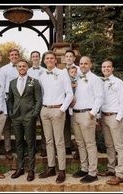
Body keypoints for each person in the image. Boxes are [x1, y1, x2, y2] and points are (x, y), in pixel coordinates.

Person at [38, 51, 73, 184]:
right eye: (47, 58)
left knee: (59, 141)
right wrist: (41, 109)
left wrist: (62, 109)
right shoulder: (42, 76)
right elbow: (40, 94)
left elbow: (69, 94)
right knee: (48, 141)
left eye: (52, 58)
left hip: (58, 110)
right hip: (45, 110)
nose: (50, 60)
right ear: (44, 61)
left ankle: (62, 170)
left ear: (55, 60)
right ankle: (51, 167)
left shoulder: (63, 73)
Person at [8, 59, 42, 182]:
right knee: (18, 143)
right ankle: (20, 167)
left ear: (27, 67)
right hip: (16, 117)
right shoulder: (12, 82)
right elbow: (10, 99)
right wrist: (11, 112)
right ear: (17, 68)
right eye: (19, 66)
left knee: (30, 142)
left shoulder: (34, 81)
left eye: (24, 66)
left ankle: (31, 170)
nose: (21, 68)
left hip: (29, 116)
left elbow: (39, 99)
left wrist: (34, 114)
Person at [72, 56, 104, 183]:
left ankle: (92, 172)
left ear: (90, 65)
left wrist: (92, 113)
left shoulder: (95, 79)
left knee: (90, 144)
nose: (83, 65)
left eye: (86, 63)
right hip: (75, 114)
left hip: (87, 115)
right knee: (80, 143)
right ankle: (84, 168)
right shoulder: (77, 78)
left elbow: (100, 97)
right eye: (81, 63)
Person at [98, 59, 123, 185]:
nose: (106, 69)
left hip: (115, 117)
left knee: (119, 146)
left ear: (112, 68)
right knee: (109, 145)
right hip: (104, 116)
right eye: (104, 67)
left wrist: (118, 118)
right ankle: (111, 169)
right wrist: (99, 116)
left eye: (108, 67)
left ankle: (119, 174)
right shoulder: (100, 82)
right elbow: (100, 100)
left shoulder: (118, 82)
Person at [0, 48, 20, 160]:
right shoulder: (3, 69)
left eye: (16, 55)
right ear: (9, 57)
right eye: (12, 55)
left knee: (18, 123)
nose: (14, 56)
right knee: (7, 125)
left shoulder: (22, 67)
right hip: (7, 98)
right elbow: (2, 85)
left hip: (19, 98)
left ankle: (19, 147)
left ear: (18, 56)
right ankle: (8, 149)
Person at [27, 51, 47, 157]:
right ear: (31, 58)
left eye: (37, 56)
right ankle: (32, 147)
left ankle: (44, 147)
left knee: (44, 126)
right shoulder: (28, 71)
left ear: (39, 58)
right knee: (31, 126)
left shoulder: (45, 71)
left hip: (43, 101)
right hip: (31, 102)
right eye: (33, 56)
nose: (35, 58)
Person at [64, 50, 81, 155]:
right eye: (67, 56)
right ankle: (67, 146)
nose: (69, 58)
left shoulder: (79, 70)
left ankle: (79, 148)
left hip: (76, 102)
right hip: (64, 102)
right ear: (64, 58)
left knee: (76, 126)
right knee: (65, 125)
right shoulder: (61, 72)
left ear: (74, 58)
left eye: (71, 56)